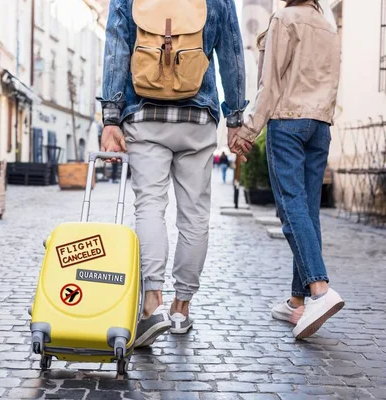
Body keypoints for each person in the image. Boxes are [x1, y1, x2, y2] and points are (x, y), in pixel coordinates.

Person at [98, 0, 248, 347]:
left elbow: (116, 48)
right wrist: (236, 117)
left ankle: (153, 303)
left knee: (150, 206)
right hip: (198, 116)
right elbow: (232, 53)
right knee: (194, 215)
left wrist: (110, 116)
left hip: (143, 113)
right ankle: (181, 308)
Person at [230, 0, 344, 339]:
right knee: (307, 210)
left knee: (291, 207)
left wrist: (247, 130)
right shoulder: (329, 27)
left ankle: (320, 291)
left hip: (289, 122)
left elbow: (270, 85)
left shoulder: (284, 18)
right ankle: (298, 301)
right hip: (320, 125)